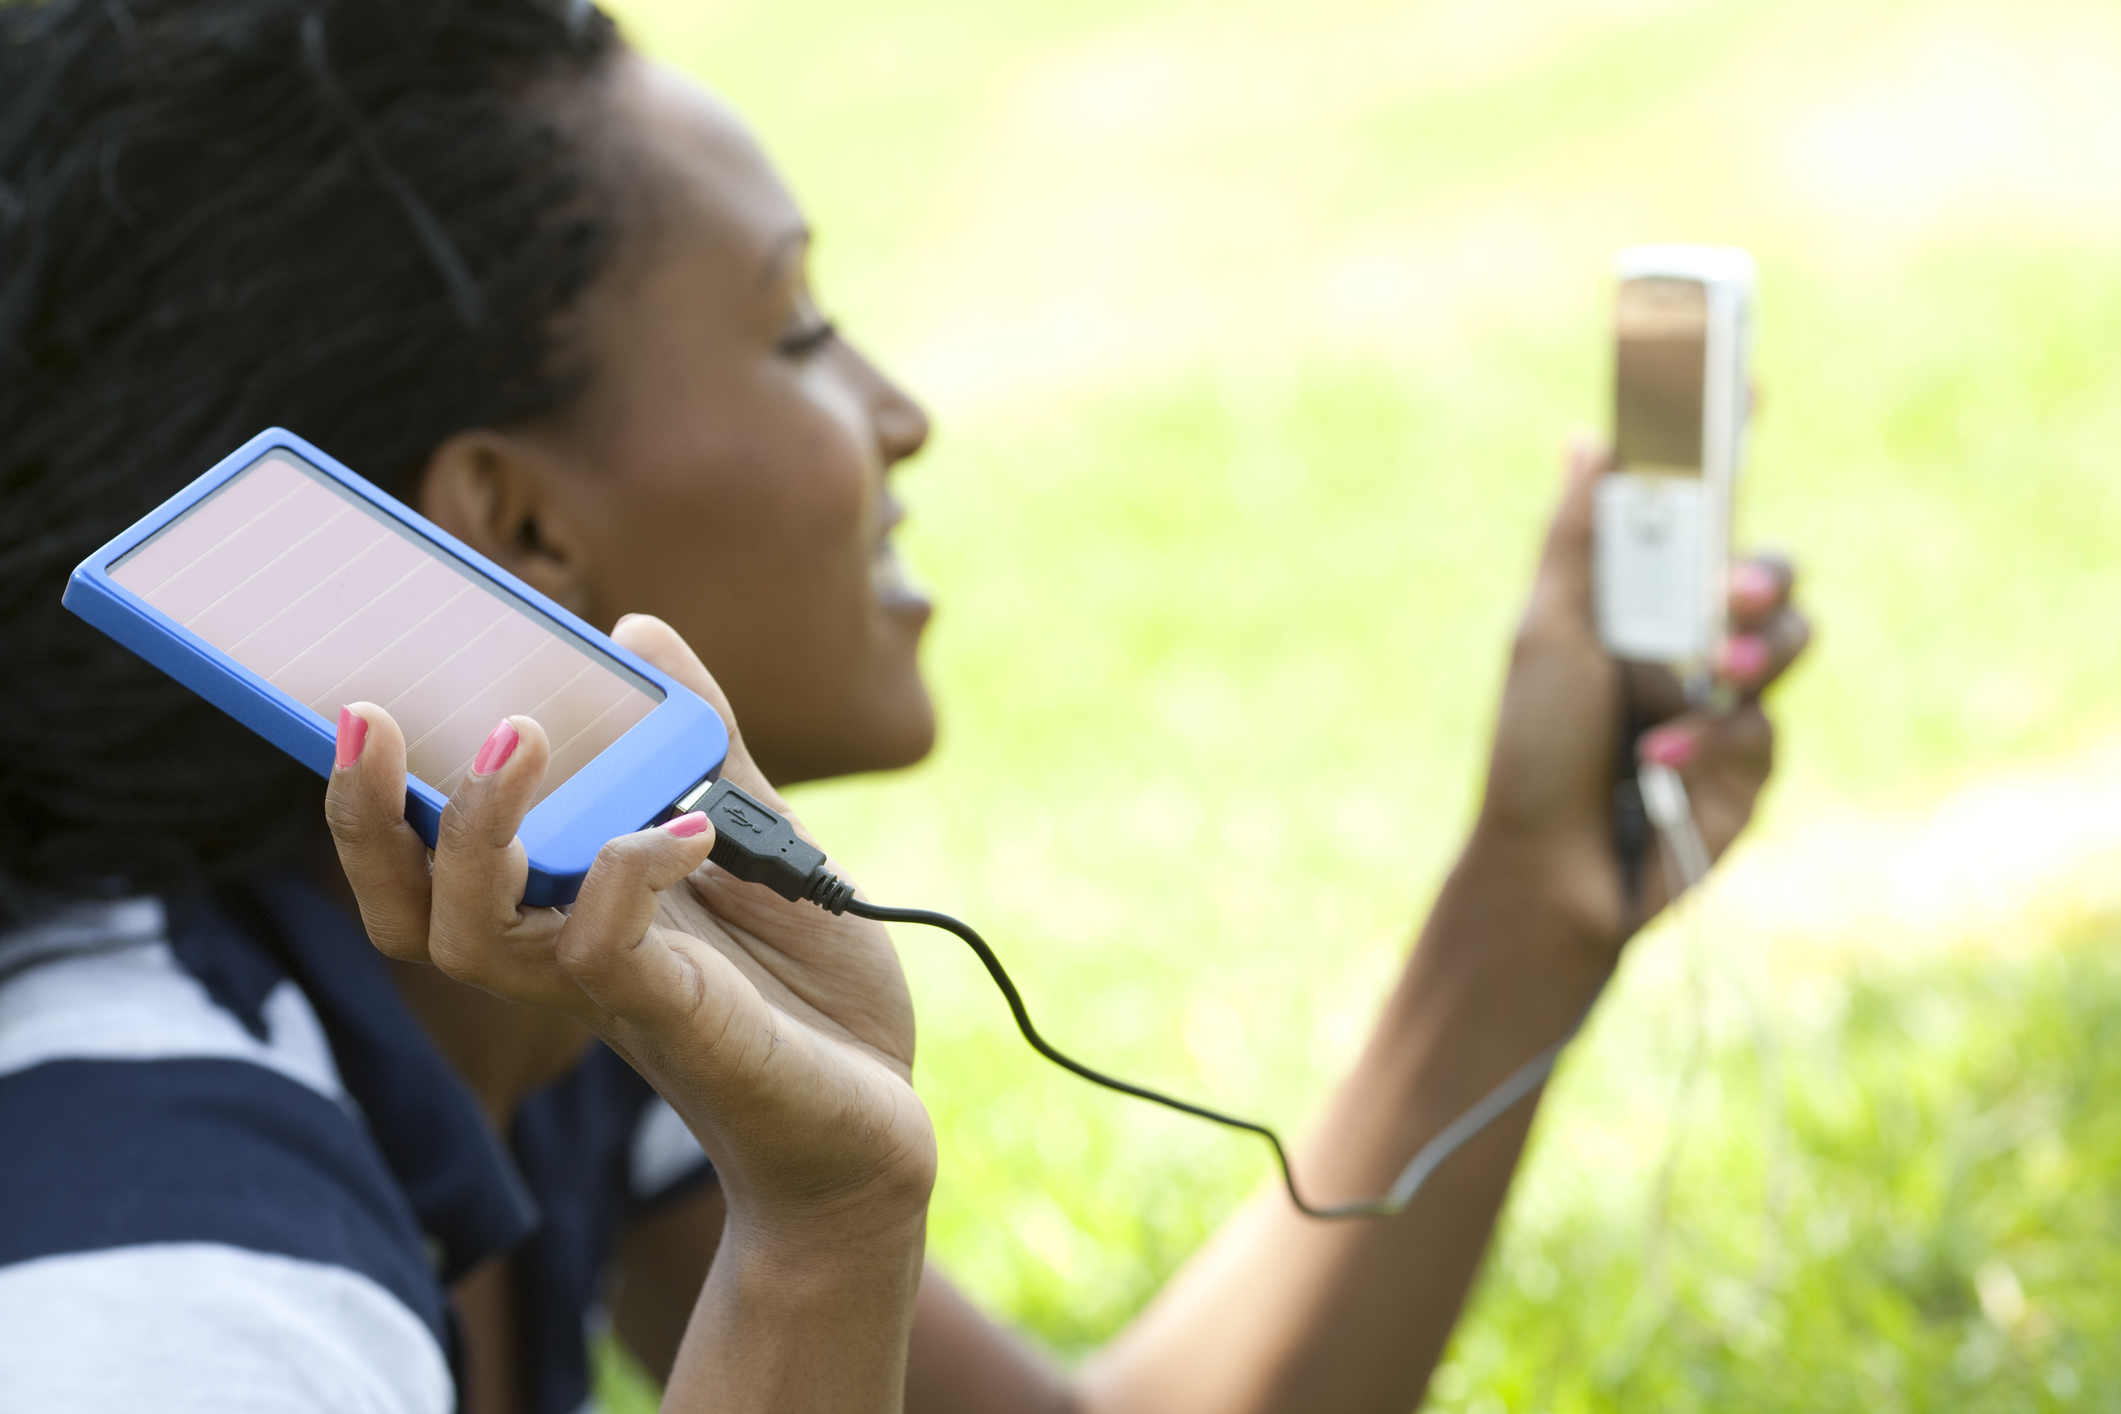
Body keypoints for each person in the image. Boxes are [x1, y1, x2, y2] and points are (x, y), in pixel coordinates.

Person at [0, 2, 1809, 1411]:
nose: (897, 410)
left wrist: (1529, 891)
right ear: (509, 526)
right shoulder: (165, 1257)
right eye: (796, 330)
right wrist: (815, 1234)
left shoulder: (528, 1002)